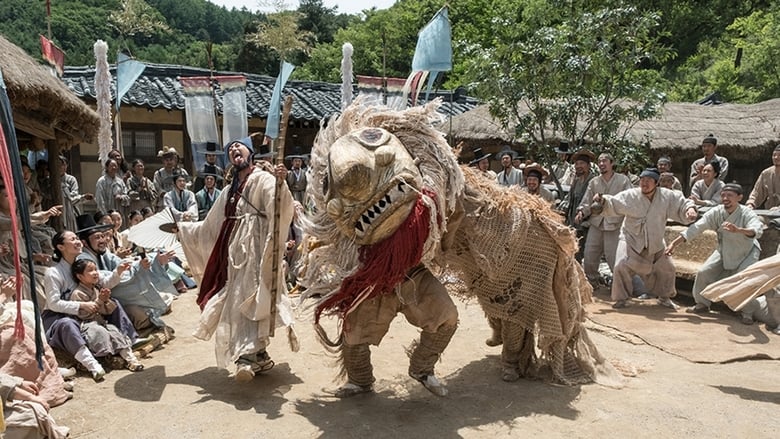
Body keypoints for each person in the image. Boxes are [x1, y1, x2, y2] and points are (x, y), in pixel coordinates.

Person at [178, 137, 297, 382]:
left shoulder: (264, 179)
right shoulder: (228, 190)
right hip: (234, 253)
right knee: (237, 300)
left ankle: (247, 356)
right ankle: (257, 354)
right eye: (230, 149)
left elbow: (281, 206)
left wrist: (281, 184)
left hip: (256, 249)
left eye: (238, 146)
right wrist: (181, 229)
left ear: (250, 153)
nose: (234, 150)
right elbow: (210, 225)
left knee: (252, 296)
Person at [593, 168, 697, 309]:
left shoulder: (667, 196)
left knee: (667, 268)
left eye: (648, 181)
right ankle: (621, 299)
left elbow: (683, 203)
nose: (644, 183)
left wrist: (689, 210)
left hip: (655, 239)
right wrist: (602, 200)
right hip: (630, 238)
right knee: (620, 266)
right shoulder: (631, 195)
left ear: (656, 183)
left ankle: (664, 298)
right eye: (642, 180)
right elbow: (613, 202)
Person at [43, 228, 129, 381]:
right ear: (60, 247)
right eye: (73, 239)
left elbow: (104, 281)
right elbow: (53, 303)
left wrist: (118, 272)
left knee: (113, 303)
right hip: (59, 316)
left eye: (77, 238)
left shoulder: (83, 264)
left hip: (86, 314)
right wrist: (81, 306)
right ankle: (92, 365)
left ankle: (128, 342)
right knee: (68, 324)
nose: (78, 242)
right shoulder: (53, 273)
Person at [666, 183, 763, 314]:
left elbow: (757, 230)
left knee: (745, 279)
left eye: (730, 195)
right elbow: (697, 228)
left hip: (748, 251)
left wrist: (738, 230)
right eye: (723, 195)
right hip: (724, 249)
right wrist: (674, 244)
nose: (725, 198)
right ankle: (702, 303)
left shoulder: (747, 213)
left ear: (739, 197)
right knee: (704, 272)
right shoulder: (717, 211)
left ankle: (747, 312)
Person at [77, 214, 175, 336]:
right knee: (139, 314)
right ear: (84, 243)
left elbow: (121, 263)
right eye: (97, 237)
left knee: (161, 301)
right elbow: (103, 280)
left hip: (118, 294)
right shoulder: (83, 259)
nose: (102, 240)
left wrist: (150, 262)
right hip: (99, 302)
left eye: (102, 236)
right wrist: (129, 269)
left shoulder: (103, 252)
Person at [69, 259, 144, 372]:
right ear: (80, 276)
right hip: (89, 325)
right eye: (90, 271)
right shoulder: (77, 293)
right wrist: (100, 300)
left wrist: (106, 301)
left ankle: (131, 360)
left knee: (116, 332)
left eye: (95, 269)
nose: (95, 273)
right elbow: (84, 315)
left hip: (101, 321)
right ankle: (105, 358)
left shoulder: (96, 289)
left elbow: (107, 311)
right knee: (100, 332)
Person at [576, 153, 633, 287]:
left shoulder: (623, 180)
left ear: (611, 163)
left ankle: (621, 286)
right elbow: (587, 201)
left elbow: (630, 200)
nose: (601, 164)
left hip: (614, 224)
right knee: (590, 255)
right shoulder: (594, 182)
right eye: (600, 161)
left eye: (605, 161)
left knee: (614, 257)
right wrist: (581, 212)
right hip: (596, 223)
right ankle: (591, 283)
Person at [562, 149, 596, 261]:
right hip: (574, 222)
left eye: (581, 163)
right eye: (576, 164)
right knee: (573, 251)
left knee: (584, 253)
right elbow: (569, 199)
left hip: (587, 224)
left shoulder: (594, 181)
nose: (578, 166)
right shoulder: (576, 181)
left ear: (588, 165)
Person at [59, 155, 93, 233]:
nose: (62, 167)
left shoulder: (71, 179)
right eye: (60, 165)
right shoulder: (49, 180)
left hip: (70, 210)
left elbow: (73, 196)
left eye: (64, 164)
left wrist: (82, 197)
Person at [153, 146, 189, 212]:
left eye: (171, 160)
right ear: (163, 161)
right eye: (167, 160)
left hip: (180, 203)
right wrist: (167, 195)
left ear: (174, 160)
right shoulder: (158, 174)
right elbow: (157, 188)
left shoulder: (182, 172)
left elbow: (187, 185)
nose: (169, 162)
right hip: (163, 204)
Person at [746, 144, 780, 210]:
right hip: (770, 211)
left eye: (779, 155)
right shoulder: (766, 173)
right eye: (774, 155)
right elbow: (757, 192)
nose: (776, 157)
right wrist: (751, 204)